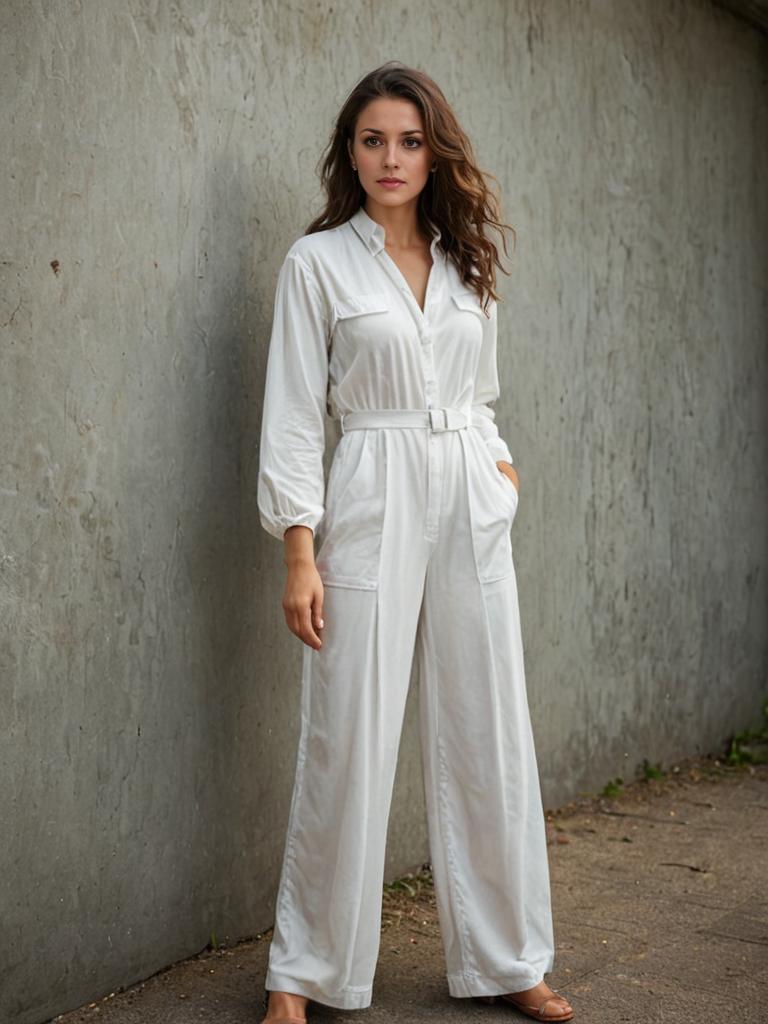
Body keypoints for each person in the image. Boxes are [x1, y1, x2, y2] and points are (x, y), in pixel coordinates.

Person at [256, 61, 574, 1024]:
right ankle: (300, 973)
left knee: (490, 729)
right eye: (371, 140)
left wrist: (501, 477)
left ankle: (509, 958)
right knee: (346, 733)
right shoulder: (317, 265)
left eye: (408, 140)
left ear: (434, 153)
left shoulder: (466, 264)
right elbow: (294, 419)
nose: (390, 158)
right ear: (348, 154)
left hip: (468, 494)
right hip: (371, 495)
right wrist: (299, 550)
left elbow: (480, 396)